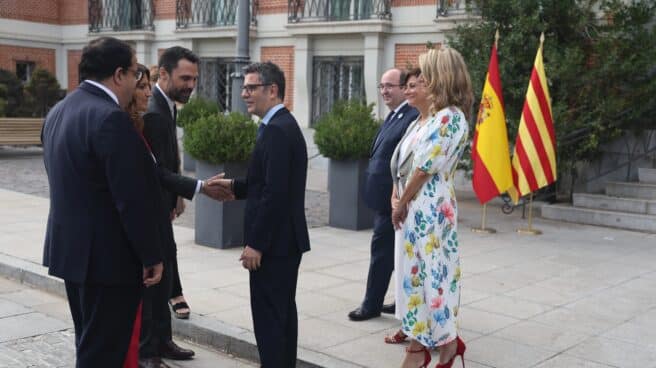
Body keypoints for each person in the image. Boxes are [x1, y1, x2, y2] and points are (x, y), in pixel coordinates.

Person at [41, 36, 164, 368]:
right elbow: (130, 199)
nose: (138, 82)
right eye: (136, 73)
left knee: (90, 345)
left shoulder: (58, 111)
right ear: (119, 74)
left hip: (73, 254)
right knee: (104, 354)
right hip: (108, 261)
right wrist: (151, 254)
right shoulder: (110, 118)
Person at [210, 61, 310, 367]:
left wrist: (256, 244)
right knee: (278, 317)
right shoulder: (274, 126)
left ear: (273, 90)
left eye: (251, 88)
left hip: (275, 245)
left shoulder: (279, 130)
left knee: (271, 322)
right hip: (280, 242)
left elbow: (275, 195)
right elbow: (265, 182)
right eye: (243, 88)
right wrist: (235, 187)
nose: (244, 94)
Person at [391, 48, 473, 368]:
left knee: (434, 277)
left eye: (427, 73)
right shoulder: (435, 117)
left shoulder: (450, 117)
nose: (421, 79)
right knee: (418, 276)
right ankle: (420, 344)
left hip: (432, 204)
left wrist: (403, 203)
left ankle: (446, 345)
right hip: (420, 204)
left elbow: (423, 168)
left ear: (442, 76)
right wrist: (401, 200)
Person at [139, 47, 202, 366]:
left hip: (164, 207)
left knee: (164, 279)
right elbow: (154, 171)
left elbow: (169, 160)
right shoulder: (153, 110)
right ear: (163, 74)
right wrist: (195, 188)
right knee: (153, 283)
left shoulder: (167, 105)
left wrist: (176, 198)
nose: (191, 84)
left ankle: (163, 341)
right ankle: (149, 351)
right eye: (185, 78)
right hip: (152, 213)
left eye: (194, 78)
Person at [348, 68, 419, 321]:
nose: (384, 91)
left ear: (403, 88)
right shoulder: (393, 115)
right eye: (381, 86)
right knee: (392, 252)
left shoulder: (412, 116)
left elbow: (405, 162)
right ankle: (400, 300)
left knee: (382, 253)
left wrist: (398, 199)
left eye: (390, 86)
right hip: (382, 198)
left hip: (395, 200)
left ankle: (371, 305)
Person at [385, 67, 430, 344]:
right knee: (402, 267)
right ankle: (407, 322)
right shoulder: (415, 122)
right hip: (402, 201)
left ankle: (420, 328)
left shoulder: (433, 121)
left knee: (418, 270)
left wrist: (401, 202)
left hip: (418, 205)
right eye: (409, 85)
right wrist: (394, 193)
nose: (410, 89)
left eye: (416, 85)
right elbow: (400, 160)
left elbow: (422, 168)